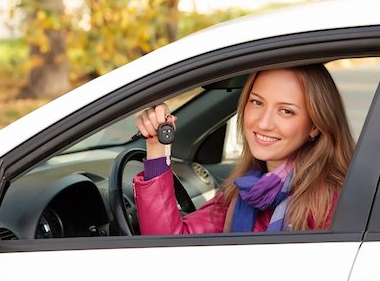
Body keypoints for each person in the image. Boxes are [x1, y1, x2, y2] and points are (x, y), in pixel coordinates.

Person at [132, 64, 354, 235]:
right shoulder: (246, 190)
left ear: (315, 125)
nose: (264, 123)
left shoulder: (334, 202)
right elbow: (167, 245)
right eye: (257, 102)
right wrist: (157, 147)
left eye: (286, 111)